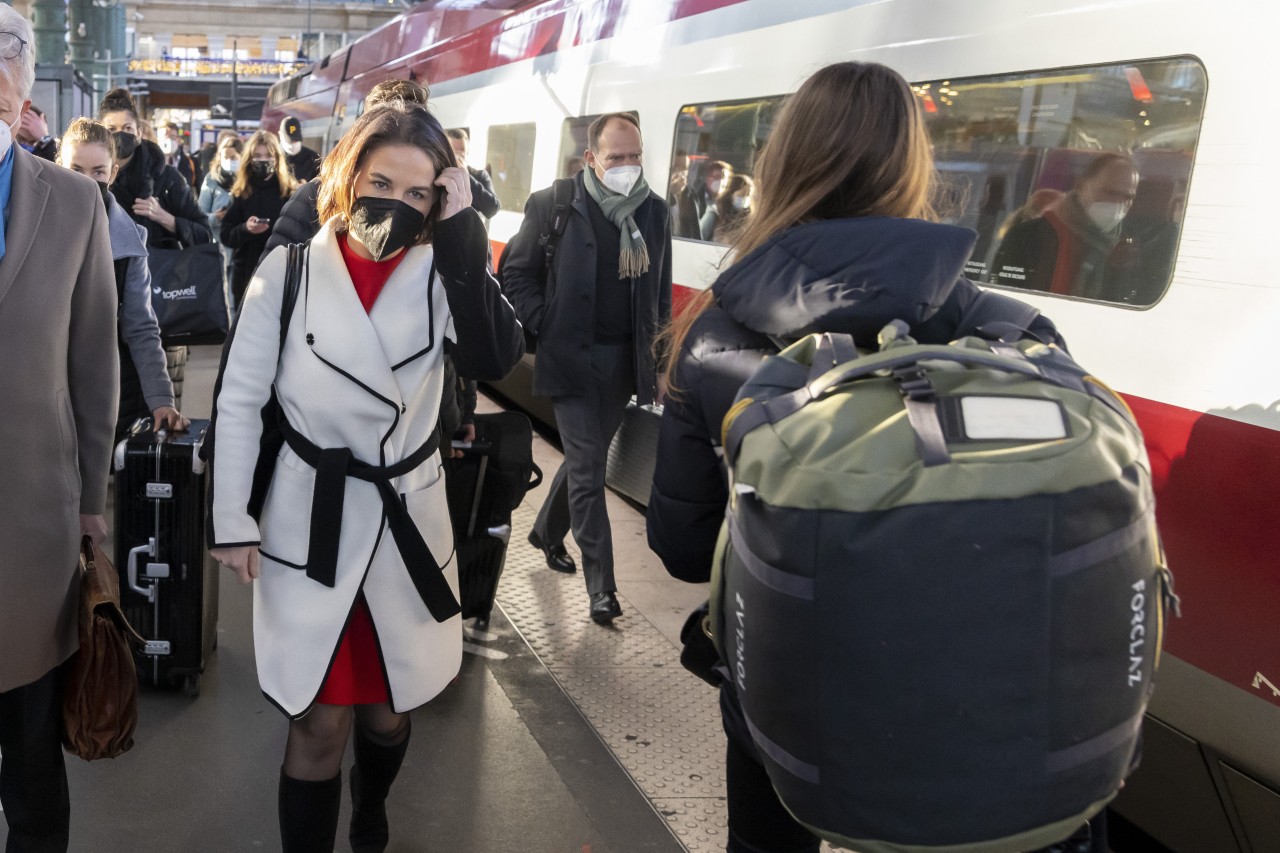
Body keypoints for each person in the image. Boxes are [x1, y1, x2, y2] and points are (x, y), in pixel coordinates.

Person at [645, 61, 1071, 853]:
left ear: (783, 162)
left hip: (784, 686)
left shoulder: (717, 332)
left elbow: (677, 546)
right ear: (915, 167)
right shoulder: (1015, 334)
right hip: (965, 693)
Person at [207, 101, 522, 853]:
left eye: (418, 193)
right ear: (349, 177)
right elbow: (241, 398)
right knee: (318, 721)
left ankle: (372, 805)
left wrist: (462, 237)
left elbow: (496, 354)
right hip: (308, 519)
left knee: (388, 710)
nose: (396, 204)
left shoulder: (443, 272)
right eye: (381, 181)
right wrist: (231, 521)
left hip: (405, 518)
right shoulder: (287, 272)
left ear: (440, 198)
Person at [0, 9, 119, 851]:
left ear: (25, 87)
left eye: (3, 66)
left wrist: (93, 505)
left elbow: (92, 364)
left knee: (32, 756)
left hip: (31, 531)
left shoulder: (75, 202)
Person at [501, 111, 672, 625]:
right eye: (617, 157)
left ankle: (546, 532)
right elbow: (515, 272)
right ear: (591, 158)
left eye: (635, 155)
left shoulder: (654, 213)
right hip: (570, 355)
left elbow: (659, 293)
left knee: (586, 462)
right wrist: (545, 323)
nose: (627, 165)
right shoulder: (555, 204)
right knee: (588, 465)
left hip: (624, 362)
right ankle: (602, 586)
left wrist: (660, 361)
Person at [58, 118, 189, 441]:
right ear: (57, 166)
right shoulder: (29, 228)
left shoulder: (130, 241)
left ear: (113, 173)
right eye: (75, 170)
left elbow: (141, 325)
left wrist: (161, 400)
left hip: (109, 388)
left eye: (98, 172)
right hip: (44, 385)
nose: (87, 182)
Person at [266, 79, 430, 254]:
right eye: (380, 184)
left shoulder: (439, 210)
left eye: (415, 194)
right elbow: (275, 271)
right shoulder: (313, 198)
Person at [991, 152, 1139, 298]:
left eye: (1128, 197)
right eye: (1110, 193)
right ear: (1081, 186)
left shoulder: (1123, 248)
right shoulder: (1028, 236)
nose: (1118, 203)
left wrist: (1121, 271)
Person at [99, 88, 212, 252]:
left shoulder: (167, 179)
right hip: (104, 273)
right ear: (101, 134)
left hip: (158, 272)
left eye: (127, 128)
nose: (119, 135)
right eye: (111, 129)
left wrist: (165, 218)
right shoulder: (93, 178)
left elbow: (205, 234)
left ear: (138, 134)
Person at [219, 130, 300, 308]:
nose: (263, 160)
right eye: (257, 155)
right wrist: (245, 229)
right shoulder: (241, 192)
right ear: (249, 159)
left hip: (282, 275)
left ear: (277, 158)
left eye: (268, 155)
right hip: (247, 276)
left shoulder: (290, 193)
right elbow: (226, 234)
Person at [198, 133, 245, 276]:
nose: (229, 161)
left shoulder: (247, 180)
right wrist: (215, 217)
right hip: (217, 248)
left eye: (233, 158)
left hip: (241, 248)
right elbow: (199, 215)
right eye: (225, 157)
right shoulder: (212, 179)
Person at [444, 127, 500, 221]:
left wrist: (465, 176)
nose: (458, 155)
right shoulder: (440, 175)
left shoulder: (480, 175)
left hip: (470, 231)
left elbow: (492, 209)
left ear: (468, 151)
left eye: (462, 150)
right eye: (454, 151)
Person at [676, 158, 730, 239]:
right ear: (708, 178)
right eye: (716, 177)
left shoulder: (726, 204)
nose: (721, 181)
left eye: (723, 178)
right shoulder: (694, 199)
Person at [707, 173, 754, 244]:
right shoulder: (720, 206)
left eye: (747, 195)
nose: (749, 189)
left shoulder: (749, 209)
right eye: (741, 194)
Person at [279, 115, 321, 183]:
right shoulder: (273, 156)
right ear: (280, 135)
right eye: (289, 141)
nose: (292, 144)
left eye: (295, 141)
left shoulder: (313, 158)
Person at [160, 121, 197, 189]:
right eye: (165, 136)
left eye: (172, 137)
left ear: (178, 139)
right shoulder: (154, 158)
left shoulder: (186, 161)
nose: (168, 140)